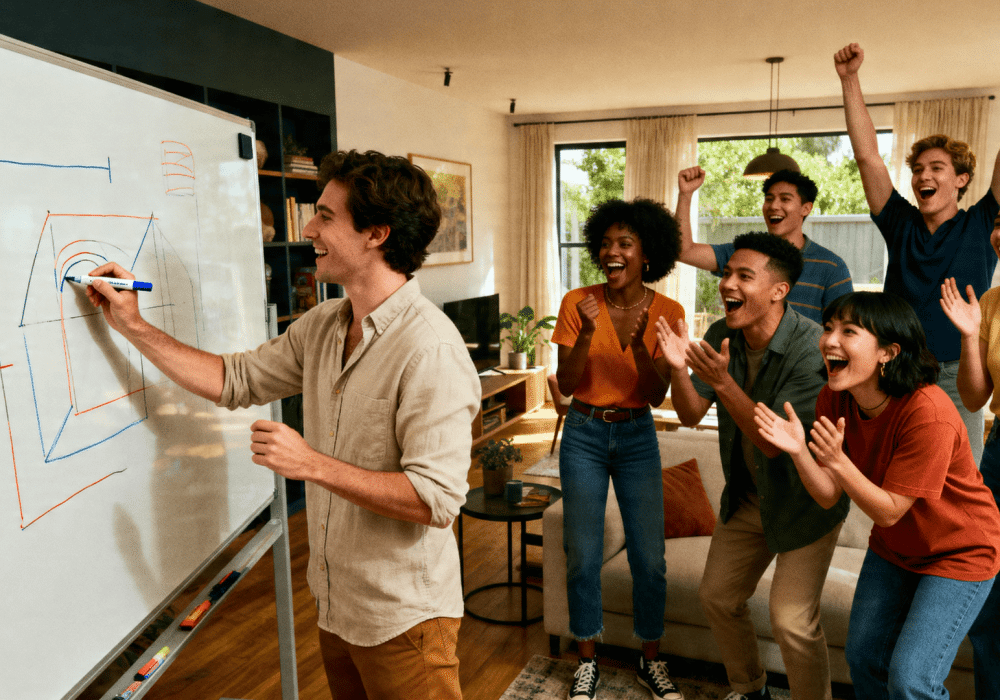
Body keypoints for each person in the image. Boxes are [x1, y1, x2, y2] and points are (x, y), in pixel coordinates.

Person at [83, 149, 482, 700]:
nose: (309, 229)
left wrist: (311, 464)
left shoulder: (431, 349)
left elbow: (434, 500)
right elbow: (234, 379)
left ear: (376, 234)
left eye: (325, 216)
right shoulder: (323, 325)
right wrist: (133, 326)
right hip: (337, 607)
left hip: (404, 621)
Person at [755, 291, 1000, 699]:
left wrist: (838, 461)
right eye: (829, 328)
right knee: (865, 659)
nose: (829, 340)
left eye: (849, 331)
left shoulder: (928, 412)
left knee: (911, 680)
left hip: (960, 551)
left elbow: (888, 511)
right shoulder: (835, 397)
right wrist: (799, 451)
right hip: (896, 548)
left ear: (888, 352)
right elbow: (829, 495)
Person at [656, 232, 847, 700]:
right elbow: (689, 415)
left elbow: (773, 444)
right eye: (726, 273)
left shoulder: (812, 349)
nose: (727, 284)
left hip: (804, 504)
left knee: (792, 620)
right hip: (748, 498)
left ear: (780, 290)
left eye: (744, 276)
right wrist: (679, 367)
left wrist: (723, 383)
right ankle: (750, 688)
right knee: (718, 597)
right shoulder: (721, 335)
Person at [836, 42, 1000, 464]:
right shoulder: (900, 222)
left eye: (937, 168)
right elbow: (868, 156)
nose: (923, 176)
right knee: (893, 470)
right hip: (898, 367)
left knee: (958, 477)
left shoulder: (982, 222)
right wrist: (849, 79)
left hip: (959, 374)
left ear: (962, 179)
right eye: (917, 169)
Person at [552, 198, 685, 700]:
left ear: (646, 255)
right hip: (584, 432)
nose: (612, 251)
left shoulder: (668, 312)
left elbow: (655, 395)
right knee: (582, 556)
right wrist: (589, 331)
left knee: (649, 560)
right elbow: (567, 384)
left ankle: (651, 660)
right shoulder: (577, 302)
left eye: (624, 243)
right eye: (606, 243)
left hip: (636, 435)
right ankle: (587, 660)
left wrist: (639, 344)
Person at [939, 214, 1000, 700]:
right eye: (999, 223)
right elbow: (975, 397)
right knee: (989, 598)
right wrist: (967, 335)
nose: (999, 233)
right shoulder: (992, 303)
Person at [675, 166, 853, 324]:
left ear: (806, 208)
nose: (773, 206)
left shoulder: (832, 267)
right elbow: (683, 251)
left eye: (785, 199)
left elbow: (843, 326)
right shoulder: (742, 254)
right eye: (769, 199)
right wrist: (685, 195)